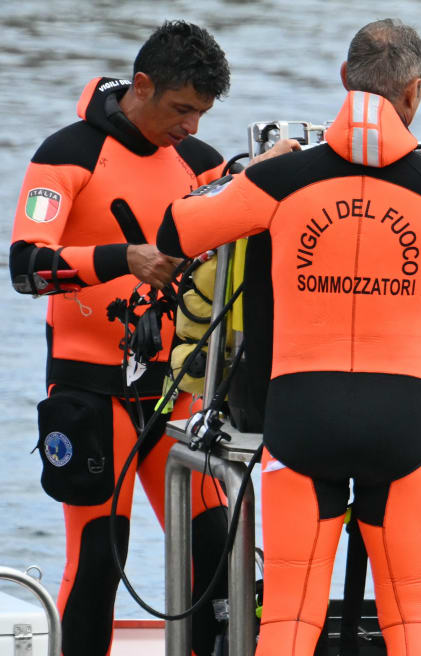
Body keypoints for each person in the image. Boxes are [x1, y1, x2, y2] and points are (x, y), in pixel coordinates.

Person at [156, 18, 421, 656]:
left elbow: (175, 232)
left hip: (301, 414)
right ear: (413, 94)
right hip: (405, 418)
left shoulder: (282, 179)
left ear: (343, 80)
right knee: (413, 616)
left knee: (290, 621)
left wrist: (255, 171)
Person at [8, 21, 250, 656]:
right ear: (142, 86)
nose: (192, 127)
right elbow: (26, 267)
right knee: (98, 561)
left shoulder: (200, 163)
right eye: (182, 109)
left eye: (202, 112)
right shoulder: (65, 153)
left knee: (214, 555)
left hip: (177, 393)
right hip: (91, 391)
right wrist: (122, 259)